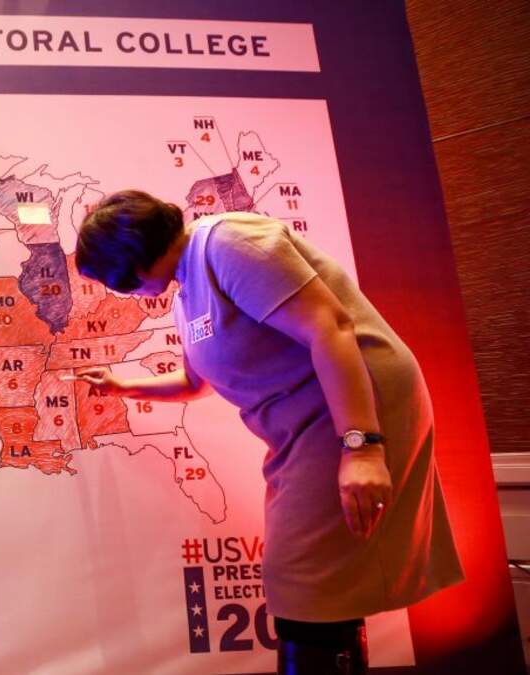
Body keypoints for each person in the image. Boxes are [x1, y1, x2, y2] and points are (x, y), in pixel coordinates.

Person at [72, 191, 463, 674]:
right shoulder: (187, 291)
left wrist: (361, 446)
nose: (118, 292)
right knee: (316, 582)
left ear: (127, 259)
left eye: (110, 280)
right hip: (301, 430)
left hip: (348, 412)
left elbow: (330, 328)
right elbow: (195, 383)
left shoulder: (228, 243)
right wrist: (121, 386)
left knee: (307, 578)